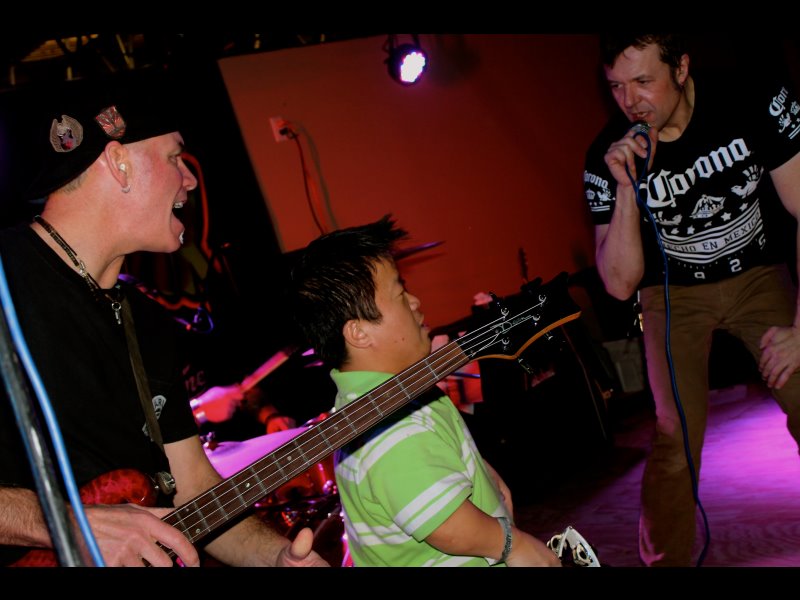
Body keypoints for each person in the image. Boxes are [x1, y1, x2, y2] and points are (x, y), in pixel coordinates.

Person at [0, 72, 327, 567]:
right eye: (175, 158)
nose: (190, 180)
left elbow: (193, 487)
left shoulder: (147, 322)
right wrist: (64, 523)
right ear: (120, 163)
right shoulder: (6, 278)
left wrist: (278, 557)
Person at [583, 34, 800, 566]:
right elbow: (619, 284)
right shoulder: (606, 155)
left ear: (681, 68)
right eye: (616, 86)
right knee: (673, 432)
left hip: (756, 274)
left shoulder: (750, 102)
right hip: (672, 293)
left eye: (643, 81)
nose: (630, 101)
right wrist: (627, 188)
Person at [289, 215, 560, 567]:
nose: (415, 301)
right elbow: (445, 525)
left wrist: (482, 476)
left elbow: (429, 465)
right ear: (359, 333)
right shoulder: (386, 426)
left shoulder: (389, 394)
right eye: (400, 294)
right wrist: (514, 545)